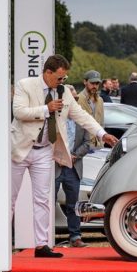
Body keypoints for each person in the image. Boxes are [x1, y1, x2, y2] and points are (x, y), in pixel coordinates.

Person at [11, 55, 118, 257]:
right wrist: (46, 109)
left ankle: (42, 245)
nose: (62, 82)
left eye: (64, 79)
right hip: (20, 149)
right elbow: (19, 112)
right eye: (59, 78)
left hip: (44, 151)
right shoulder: (25, 85)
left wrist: (102, 134)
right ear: (48, 73)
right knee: (10, 198)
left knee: (43, 199)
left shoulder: (63, 93)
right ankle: (1, 242)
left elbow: (82, 116)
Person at [56, 85, 92, 248]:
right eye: (71, 99)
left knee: (73, 204)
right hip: (55, 165)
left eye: (76, 99)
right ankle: (45, 238)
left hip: (73, 166)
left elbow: (88, 142)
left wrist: (75, 155)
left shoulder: (82, 118)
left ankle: (75, 236)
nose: (74, 102)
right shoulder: (55, 116)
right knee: (47, 203)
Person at [77, 70, 106, 150]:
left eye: (97, 84)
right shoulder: (78, 99)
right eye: (92, 83)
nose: (95, 86)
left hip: (98, 145)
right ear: (85, 82)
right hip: (82, 146)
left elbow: (102, 122)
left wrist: (101, 142)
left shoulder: (100, 100)